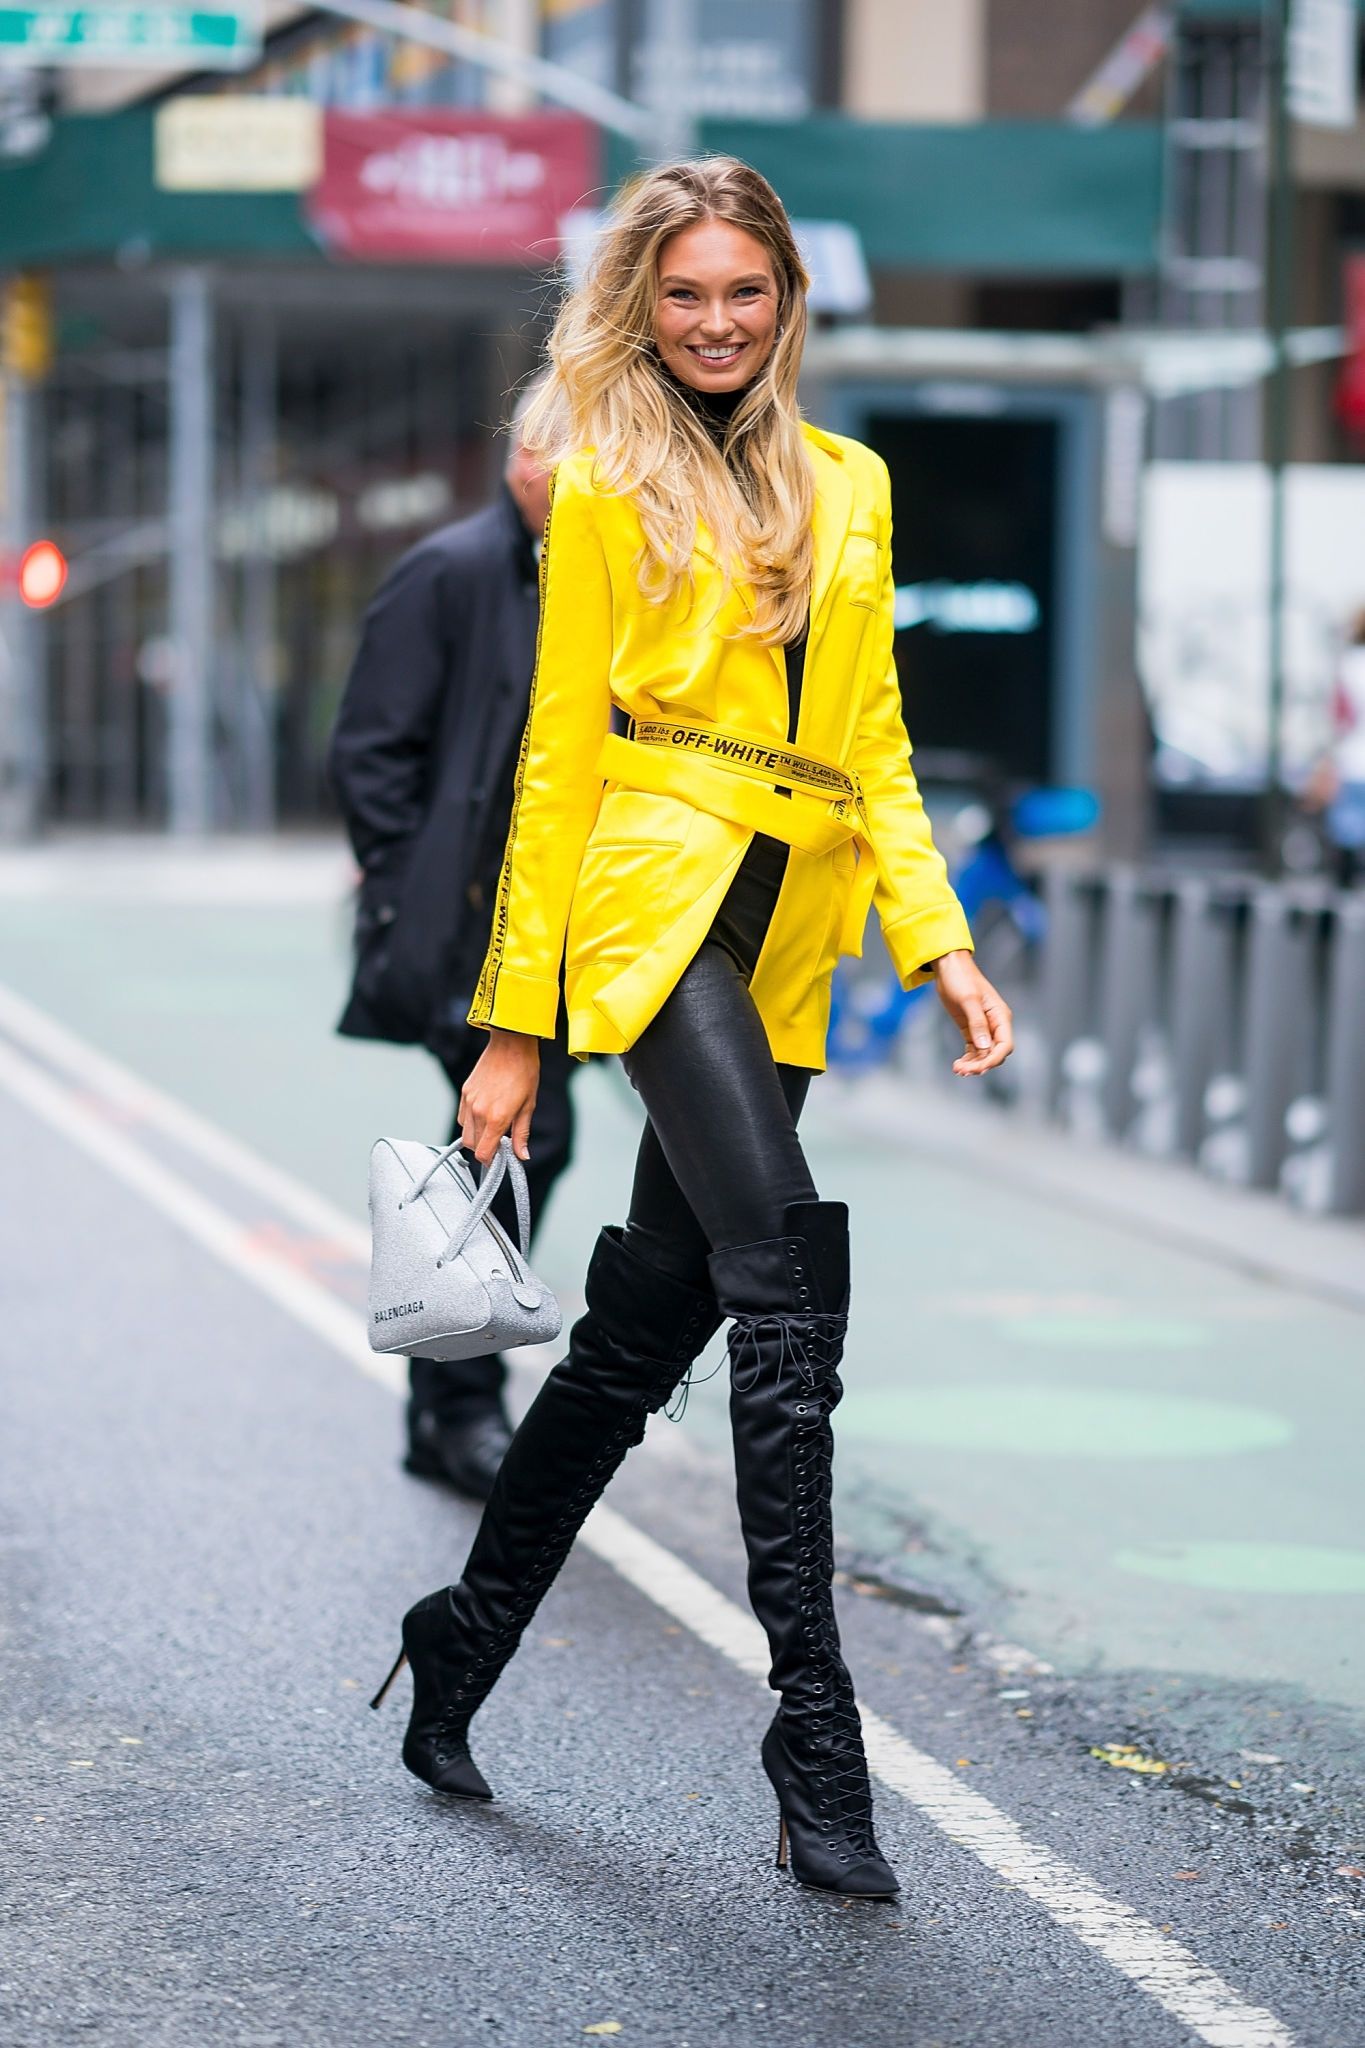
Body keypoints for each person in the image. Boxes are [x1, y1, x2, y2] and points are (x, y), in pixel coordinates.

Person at [371, 157, 1012, 1900]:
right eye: (683, 294)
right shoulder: (601, 485)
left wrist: (936, 939)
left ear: (786, 298)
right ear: (641, 307)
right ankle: (818, 1734)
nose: (715, 321)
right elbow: (556, 759)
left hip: (791, 927)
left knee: (646, 1319)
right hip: (654, 907)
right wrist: (519, 1026)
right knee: (782, 1275)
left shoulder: (853, 486)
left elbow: (873, 741)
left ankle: (464, 1630)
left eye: (744, 291)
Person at [329, 390, 577, 1500]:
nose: (564, 476)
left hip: (556, 929)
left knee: (509, 1140)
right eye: (550, 452)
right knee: (522, 1133)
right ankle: (458, 1407)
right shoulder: (452, 570)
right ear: (521, 458)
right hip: (462, 927)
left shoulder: (599, 572)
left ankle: (448, 1403)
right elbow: (370, 750)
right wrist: (409, 884)